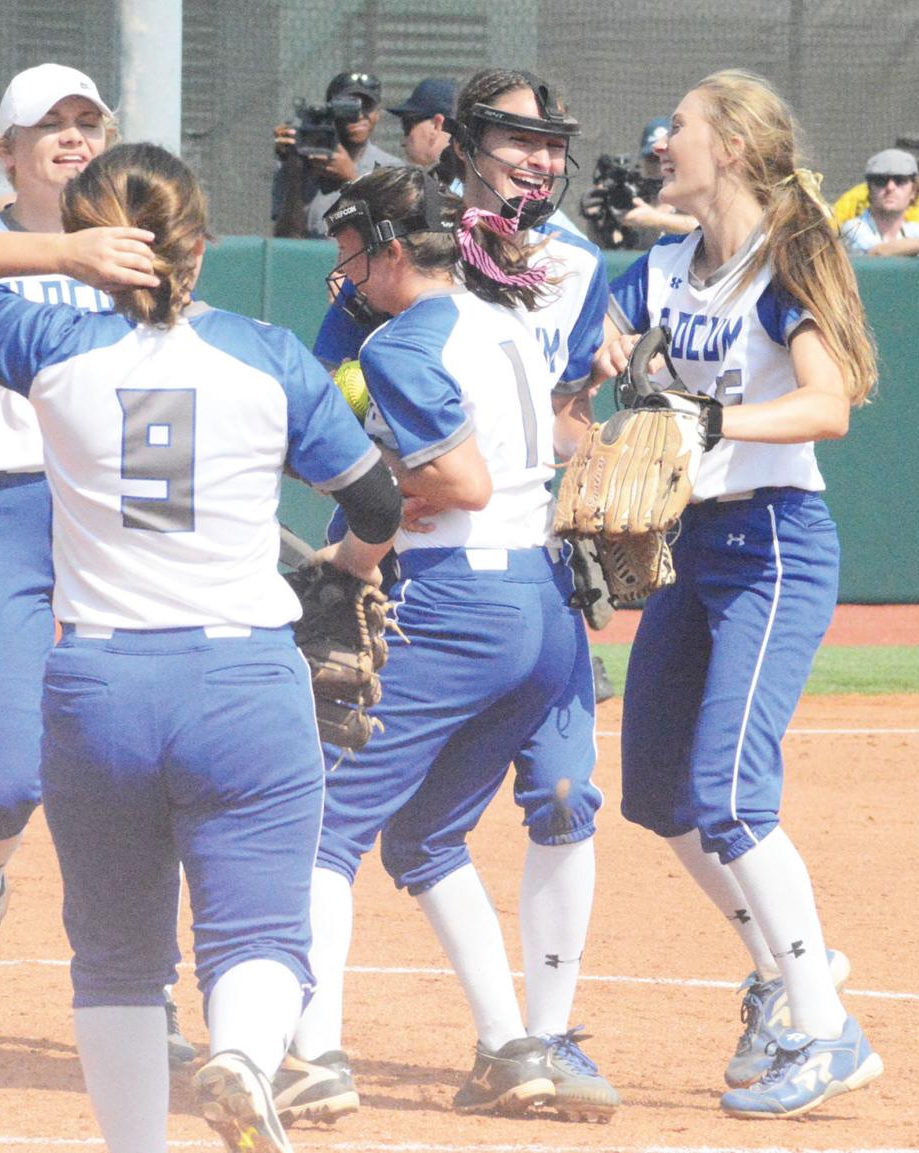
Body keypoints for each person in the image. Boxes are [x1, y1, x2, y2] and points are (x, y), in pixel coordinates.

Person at [0, 141, 401, 1153]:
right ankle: (248, 1059)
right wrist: (350, 562)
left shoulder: (48, 344)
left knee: (120, 962)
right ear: (201, 247)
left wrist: (65, 253)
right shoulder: (265, 353)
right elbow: (380, 500)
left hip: (102, 687)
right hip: (243, 677)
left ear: (98, 244)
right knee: (261, 935)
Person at [273, 159, 621, 1129]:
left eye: (350, 256)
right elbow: (537, 453)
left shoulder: (403, 342)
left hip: (462, 596)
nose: (344, 278)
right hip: (542, 608)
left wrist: (355, 537)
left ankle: (314, 1056)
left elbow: (460, 483)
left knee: (322, 821)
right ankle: (513, 1048)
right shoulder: (501, 315)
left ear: (392, 252)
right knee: (422, 832)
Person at [0, 62, 192, 1063]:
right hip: (2, 513)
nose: (71, 136)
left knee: (140, 766)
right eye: (47, 124)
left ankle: (148, 993)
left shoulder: (146, 254)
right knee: (8, 779)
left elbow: (168, 410)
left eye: (85, 120)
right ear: (4, 151)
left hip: (113, 520)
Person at [597, 68, 884, 1119]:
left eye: (678, 126)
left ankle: (826, 1028)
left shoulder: (784, 263)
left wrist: (709, 422)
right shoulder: (666, 265)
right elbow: (595, 360)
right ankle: (779, 969)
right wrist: (605, 355)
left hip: (772, 544)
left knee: (728, 793)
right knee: (657, 793)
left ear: (730, 147)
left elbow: (827, 404)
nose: (663, 141)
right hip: (690, 545)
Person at [271, 69, 402, 238]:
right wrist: (293, 165)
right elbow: (285, 235)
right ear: (330, 110)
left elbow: (394, 234)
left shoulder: (392, 169)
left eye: (367, 106)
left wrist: (352, 180)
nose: (359, 115)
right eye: (348, 107)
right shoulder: (305, 160)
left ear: (377, 114)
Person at [385, 77, 456, 169]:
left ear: (436, 126)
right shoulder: (470, 177)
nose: (403, 142)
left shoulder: (467, 181)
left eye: (407, 125)